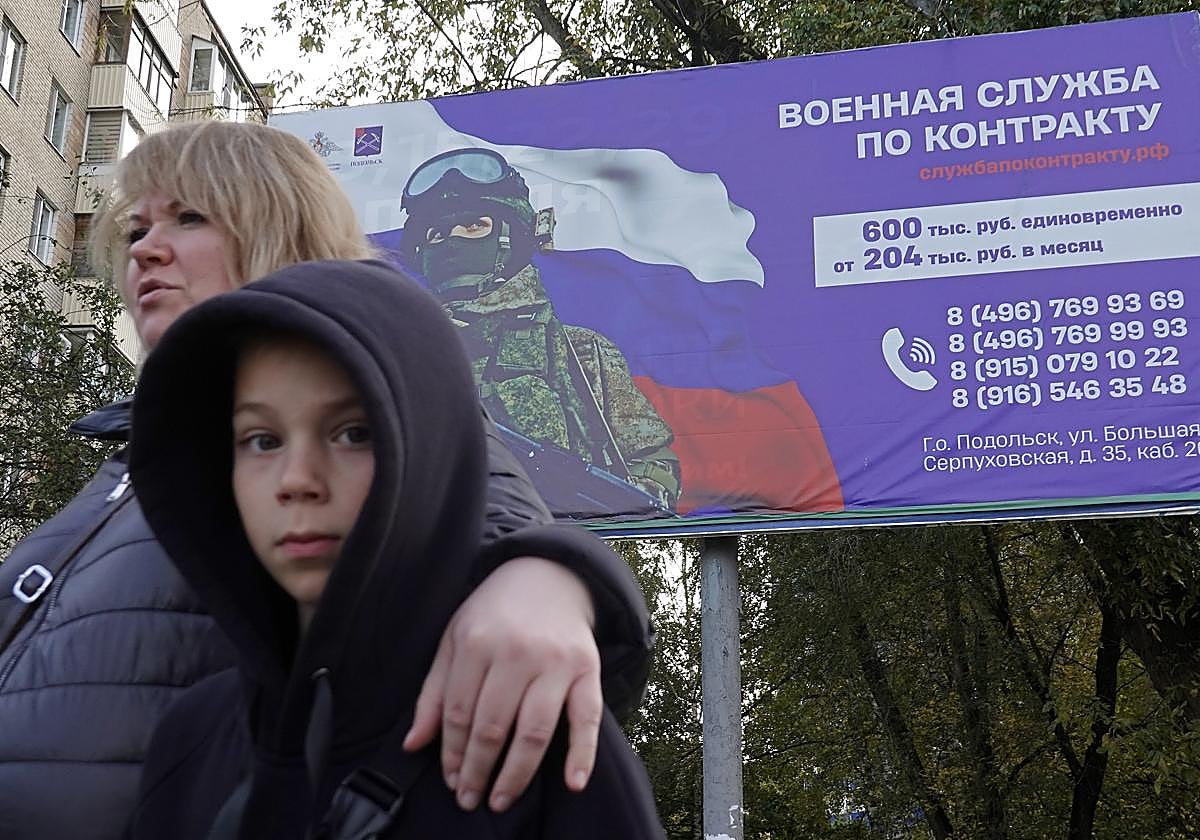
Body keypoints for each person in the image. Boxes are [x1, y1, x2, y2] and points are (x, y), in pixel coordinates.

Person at [0, 122, 652, 840]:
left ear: (285, 226)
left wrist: (552, 585)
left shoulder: (393, 402)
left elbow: (491, 520)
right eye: (136, 228)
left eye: (189, 217)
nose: (145, 249)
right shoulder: (140, 454)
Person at [125, 259, 665, 839]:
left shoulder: (532, 736)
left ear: (430, 451)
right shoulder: (189, 741)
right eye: (262, 440)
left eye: (353, 434)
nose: (297, 479)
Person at [397, 148, 681, 514]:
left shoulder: (580, 352)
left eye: (474, 226)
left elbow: (654, 466)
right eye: (437, 234)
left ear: (509, 238)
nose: (453, 241)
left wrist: (606, 511)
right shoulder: (399, 356)